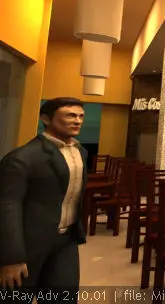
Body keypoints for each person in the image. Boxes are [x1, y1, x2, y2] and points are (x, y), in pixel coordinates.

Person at [0, 97, 88, 303]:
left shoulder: (80, 152)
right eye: (70, 115)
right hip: (29, 243)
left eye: (81, 116)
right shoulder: (23, 157)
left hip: (65, 240)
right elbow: (7, 206)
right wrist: (11, 257)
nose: (77, 121)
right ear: (46, 119)